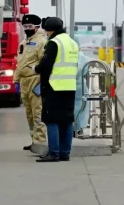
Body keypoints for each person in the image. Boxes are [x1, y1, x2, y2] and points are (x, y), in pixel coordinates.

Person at [33, 17, 79, 162]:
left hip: (54, 86)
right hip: (69, 86)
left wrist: (36, 68)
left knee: (51, 120)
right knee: (66, 120)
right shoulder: (72, 42)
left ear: (50, 30)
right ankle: (65, 152)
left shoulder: (54, 42)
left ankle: (53, 152)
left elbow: (46, 64)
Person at [13, 14, 48, 155]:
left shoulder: (41, 42)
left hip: (35, 80)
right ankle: (34, 140)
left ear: (37, 27)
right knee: (29, 113)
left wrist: (41, 82)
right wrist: (16, 80)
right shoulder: (24, 42)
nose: (27, 29)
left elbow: (43, 63)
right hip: (24, 81)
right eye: (25, 27)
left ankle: (40, 142)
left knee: (37, 112)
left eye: (30, 27)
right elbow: (20, 63)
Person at [74, 41, 90, 135]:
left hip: (69, 84)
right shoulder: (84, 58)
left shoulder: (68, 56)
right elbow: (84, 72)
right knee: (82, 107)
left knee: (71, 107)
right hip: (81, 86)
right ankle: (79, 127)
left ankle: (72, 127)